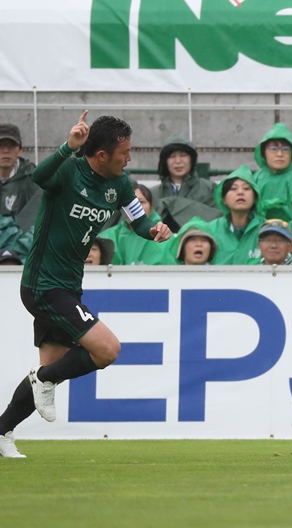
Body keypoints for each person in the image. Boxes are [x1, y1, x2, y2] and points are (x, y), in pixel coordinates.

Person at [0, 112, 171, 459]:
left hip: (68, 286)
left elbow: (139, 221)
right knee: (107, 350)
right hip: (43, 284)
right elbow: (39, 176)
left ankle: (2, 430)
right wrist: (67, 147)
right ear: (102, 155)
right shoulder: (68, 170)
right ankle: (42, 381)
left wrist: (154, 230)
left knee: (52, 368)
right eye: (125, 152)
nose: (130, 158)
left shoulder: (120, 184)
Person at [150, 133, 218, 231]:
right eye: (172, 156)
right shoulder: (152, 194)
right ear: (165, 162)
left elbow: (217, 220)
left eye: (183, 155)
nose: (178, 161)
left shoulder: (209, 189)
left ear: (192, 159)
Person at [98, 182, 173, 265]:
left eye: (141, 202)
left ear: (152, 207)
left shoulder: (165, 235)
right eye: (131, 203)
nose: (137, 207)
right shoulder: (107, 237)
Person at [207, 165, 264, 265]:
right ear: (223, 199)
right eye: (233, 189)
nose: (240, 192)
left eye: (246, 188)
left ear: (255, 198)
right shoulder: (210, 230)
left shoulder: (267, 229)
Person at [253, 123, 292, 218]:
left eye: (285, 149)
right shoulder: (254, 180)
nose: (280, 154)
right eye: (273, 148)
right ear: (263, 152)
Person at [0, 124, 40, 230]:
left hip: (20, 240)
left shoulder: (33, 179)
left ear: (20, 150)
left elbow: (35, 223)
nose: (5, 150)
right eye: (1, 145)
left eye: (11, 145)